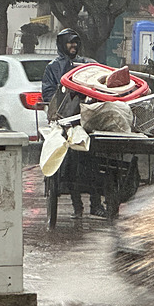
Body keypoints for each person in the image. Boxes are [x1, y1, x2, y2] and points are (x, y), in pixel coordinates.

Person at [42, 28, 106, 219]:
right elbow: (48, 95)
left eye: (76, 42)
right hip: (65, 122)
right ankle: (77, 206)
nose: (74, 46)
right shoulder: (53, 68)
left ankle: (97, 204)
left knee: (94, 161)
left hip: (89, 119)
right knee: (70, 165)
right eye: (70, 42)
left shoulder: (87, 64)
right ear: (62, 44)